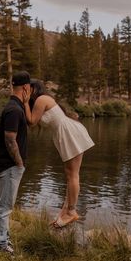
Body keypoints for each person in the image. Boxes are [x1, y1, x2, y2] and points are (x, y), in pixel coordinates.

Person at [23, 79, 94, 228]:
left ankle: (72, 211)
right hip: (65, 133)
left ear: (34, 89)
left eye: (28, 89)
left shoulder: (42, 99)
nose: (26, 92)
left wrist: (24, 102)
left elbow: (31, 121)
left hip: (68, 132)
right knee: (71, 174)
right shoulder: (40, 102)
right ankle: (64, 213)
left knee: (72, 174)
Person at [0, 71, 31, 254]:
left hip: (9, 166)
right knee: (4, 207)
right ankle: (1, 246)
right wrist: (19, 163)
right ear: (26, 87)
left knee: (6, 205)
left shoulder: (14, 106)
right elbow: (10, 139)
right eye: (29, 88)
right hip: (10, 166)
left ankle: (4, 241)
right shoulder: (14, 110)